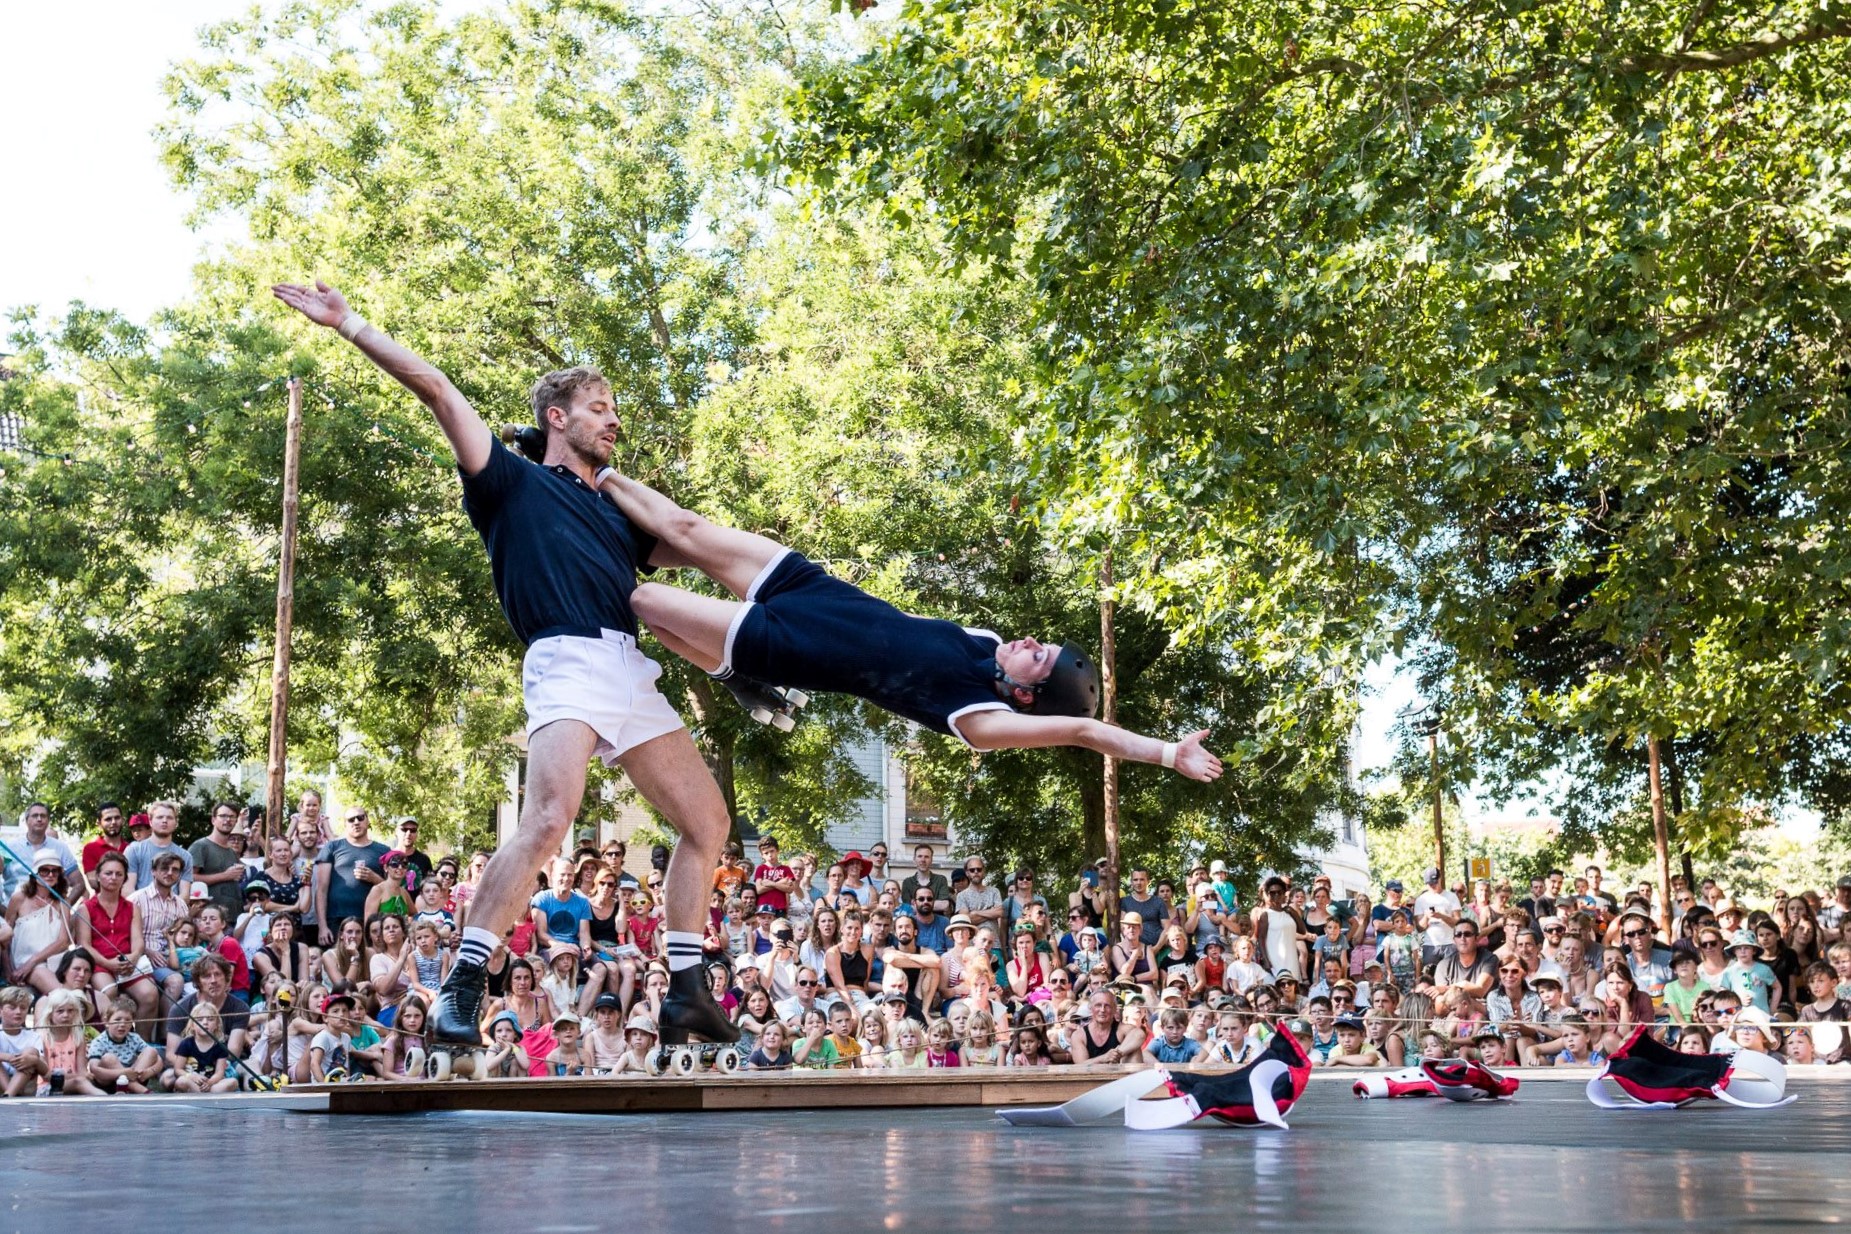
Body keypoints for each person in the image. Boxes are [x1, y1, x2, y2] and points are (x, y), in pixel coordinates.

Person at [274, 277, 738, 1049]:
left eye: (614, 409)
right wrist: (347, 322)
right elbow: (437, 389)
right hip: (565, 656)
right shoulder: (508, 482)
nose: (614, 419)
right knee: (549, 819)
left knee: (708, 821)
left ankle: (687, 986)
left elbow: (695, 541)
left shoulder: (616, 511)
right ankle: (463, 980)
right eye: (599, 408)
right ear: (556, 418)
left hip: (630, 668)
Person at [568, 465, 1224, 780]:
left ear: (1026, 695)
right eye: (1041, 641)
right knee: (676, 534)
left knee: (648, 603)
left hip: (793, 646)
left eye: (1039, 657)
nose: (1028, 641)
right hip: (814, 590)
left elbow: (1082, 730)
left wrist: (1167, 753)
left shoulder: (980, 720)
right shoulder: (987, 643)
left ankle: (735, 671)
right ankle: (581, 471)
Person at [7, 850, 74, 995]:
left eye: (54, 871)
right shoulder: (19, 898)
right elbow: (4, 940)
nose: (50, 875)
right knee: (62, 995)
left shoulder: (63, 901)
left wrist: (33, 961)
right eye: (44, 870)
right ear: (34, 873)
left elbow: (63, 941)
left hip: (56, 961)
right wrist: (8, 972)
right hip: (24, 962)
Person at [164, 1002, 239, 1094]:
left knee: (233, 1082)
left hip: (211, 1084)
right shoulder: (186, 1043)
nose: (205, 1023)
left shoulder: (220, 1046)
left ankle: (203, 1094)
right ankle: (207, 1095)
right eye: (199, 1019)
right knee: (181, 1082)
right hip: (192, 1082)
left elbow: (219, 1073)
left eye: (210, 1019)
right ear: (192, 1025)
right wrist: (191, 1076)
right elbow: (178, 1070)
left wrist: (210, 1082)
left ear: (217, 1025)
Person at [189, 802, 247, 918]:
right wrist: (225, 876)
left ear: (236, 821)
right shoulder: (201, 846)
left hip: (232, 918)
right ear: (213, 820)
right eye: (223, 816)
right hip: (208, 920)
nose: (228, 820)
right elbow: (188, 878)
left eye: (232, 817)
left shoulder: (232, 852)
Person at [122, 801, 194, 894]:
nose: (164, 820)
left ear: (176, 822)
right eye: (160, 817)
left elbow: (184, 894)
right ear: (151, 821)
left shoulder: (185, 856)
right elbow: (127, 890)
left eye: (169, 817)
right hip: (140, 906)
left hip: (173, 907)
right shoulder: (134, 850)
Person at [80, 802, 129, 880]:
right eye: (108, 819)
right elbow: (93, 881)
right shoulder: (90, 849)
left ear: (122, 820)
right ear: (99, 824)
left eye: (117, 818)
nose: (113, 822)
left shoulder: (131, 848)